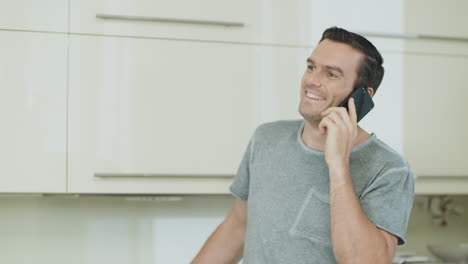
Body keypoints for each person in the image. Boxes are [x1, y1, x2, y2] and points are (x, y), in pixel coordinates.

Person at [191, 27, 414, 264]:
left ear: (362, 96)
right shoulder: (266, 139)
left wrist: (338, 165)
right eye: (311, 67)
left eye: (331, 74)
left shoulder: (390, 170)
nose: (312, 80)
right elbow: (237, 227)